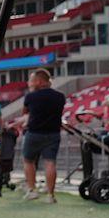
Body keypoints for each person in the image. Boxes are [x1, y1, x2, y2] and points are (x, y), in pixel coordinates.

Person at [20, 68, 66, 203]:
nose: (30, 83)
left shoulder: (30, 96)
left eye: (32, 80)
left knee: (28, 161)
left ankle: (32, 190)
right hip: (53, 133)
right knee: (50, 163)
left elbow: (25, 112)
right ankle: (50, 195)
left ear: (39, 81)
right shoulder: (60, 96)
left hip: (34, 133)